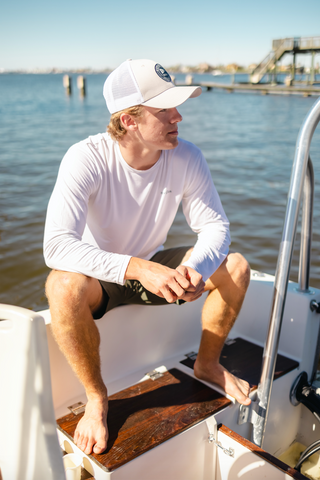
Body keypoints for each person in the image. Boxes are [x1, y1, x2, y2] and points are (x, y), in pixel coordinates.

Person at [44, 59, 251, 456]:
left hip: (155, 265)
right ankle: (97, 398)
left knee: (237, 267)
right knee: (61, 284)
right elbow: (56, 245)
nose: (179, 116)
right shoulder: (85, 158)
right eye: (165, 110)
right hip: (101, 277)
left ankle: (207, 364)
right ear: (128, 121)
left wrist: (194, 270)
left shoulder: (187, 157)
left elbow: (215, 228)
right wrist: (138, 269)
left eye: (177, 105)